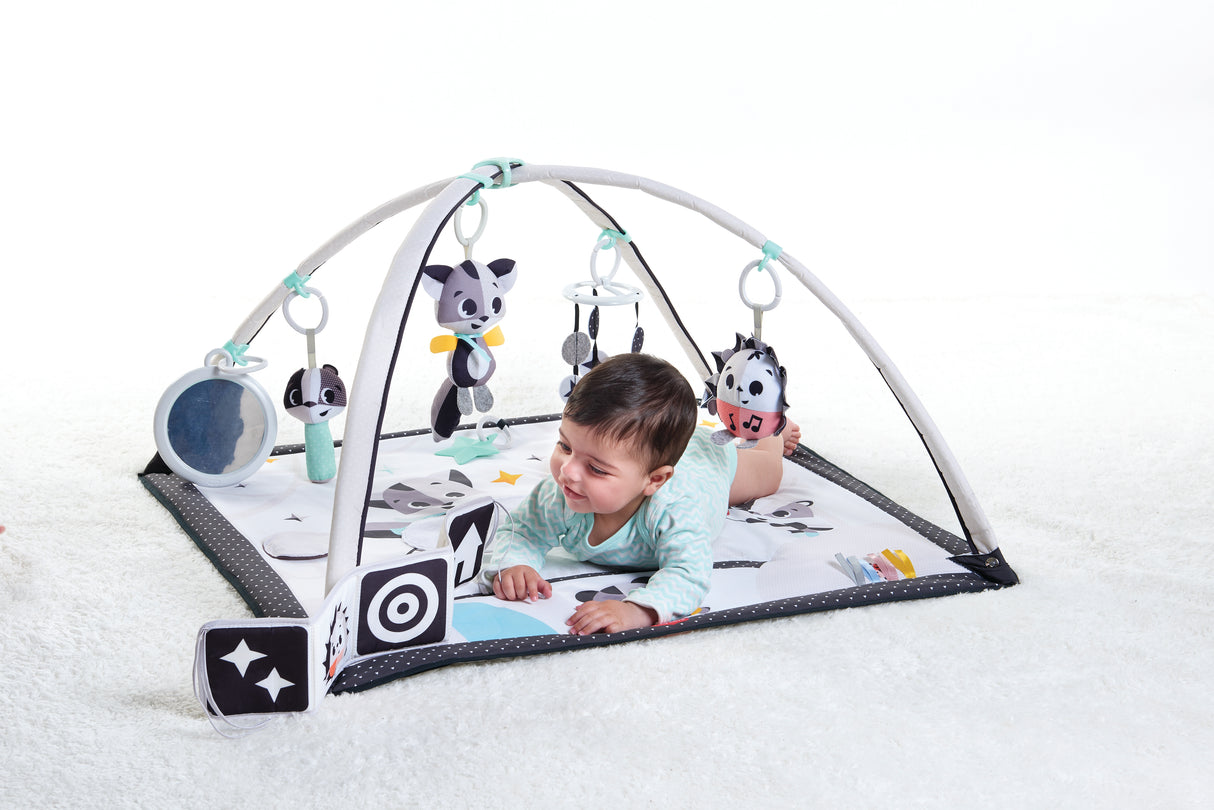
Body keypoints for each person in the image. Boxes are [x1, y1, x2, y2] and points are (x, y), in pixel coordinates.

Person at [481, 352, 800, 635]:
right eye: (565, 446)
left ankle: (771, 428)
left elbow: (689, 573)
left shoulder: (675, 510)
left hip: (711, 468)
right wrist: (515, 565)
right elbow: (522, 532)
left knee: (768, 473)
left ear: (655, 481)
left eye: (596, 468)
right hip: (662, 456)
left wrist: (639, 609)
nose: (568, 471)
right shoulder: (559, 495)